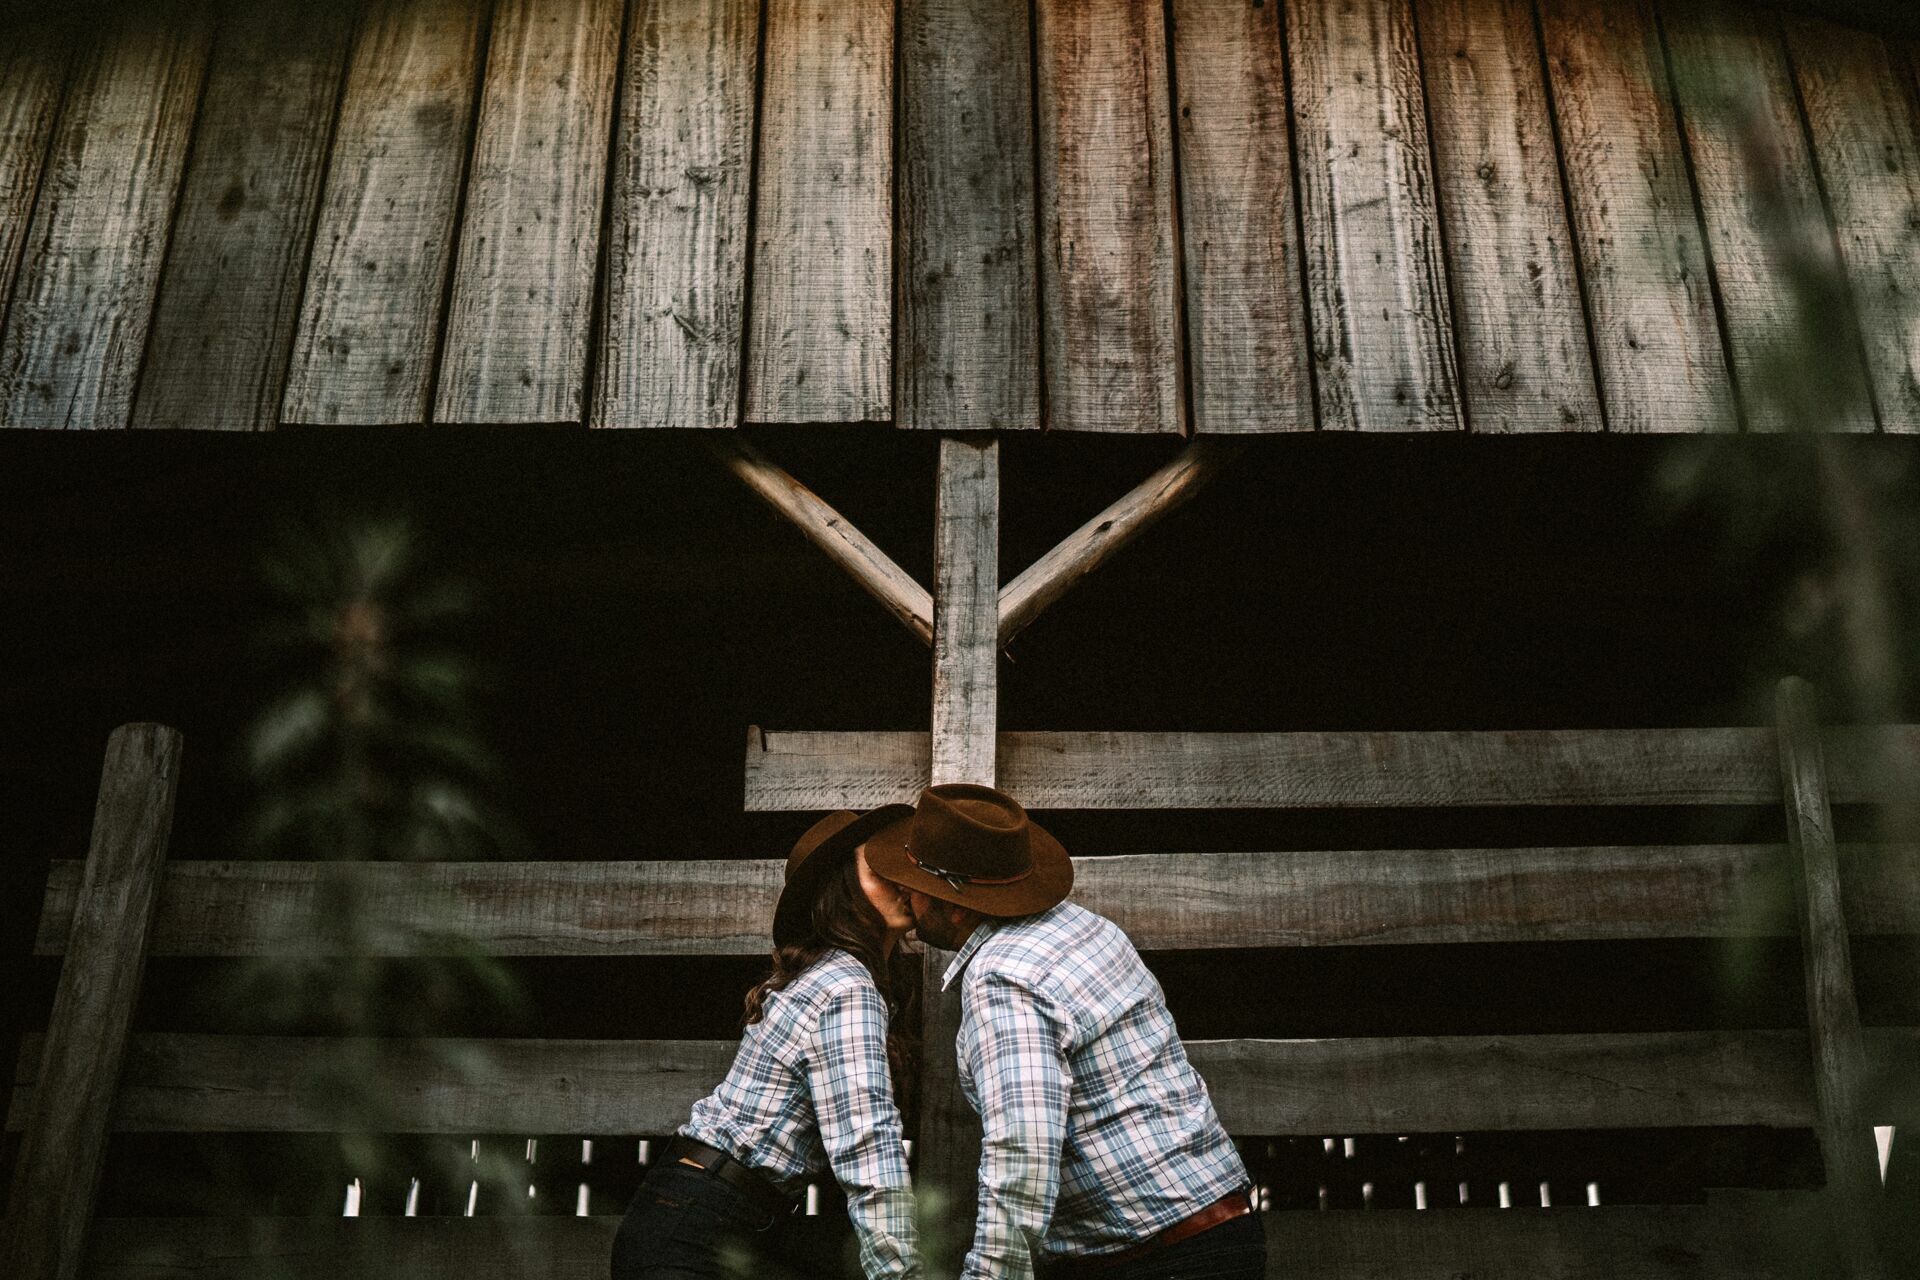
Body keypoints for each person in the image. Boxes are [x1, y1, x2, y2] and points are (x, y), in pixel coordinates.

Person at [866, 783, 1264, 1280]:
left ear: (958, 903)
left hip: (1156, 1261)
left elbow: (1022, 1158)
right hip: (1221, 1230)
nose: (903, 892)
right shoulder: (1088, 928)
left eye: (914, 883)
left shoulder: (1002, 977)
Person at [611, 806, 923, 1280]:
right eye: (881, 870)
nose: (905, 882)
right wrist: (902, 1273)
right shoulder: (846, 987)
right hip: (699, 1227)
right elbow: (868, 1146)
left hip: (704, 1215)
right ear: (843, 887)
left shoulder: (839, 979)